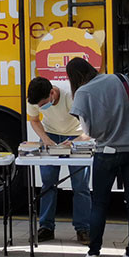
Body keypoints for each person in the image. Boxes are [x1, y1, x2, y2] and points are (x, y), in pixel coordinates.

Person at [66, 57, 129, 257]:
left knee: (100, 204)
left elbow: (88, 131)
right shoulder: (121, 79)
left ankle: (93, 253)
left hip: (107, 153)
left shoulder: (83, 93)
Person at [26, 75, 91, 243]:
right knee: (48, 183)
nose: (41, 107)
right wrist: (46, 139)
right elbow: (34, 121)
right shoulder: (34, 99)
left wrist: (74, 142)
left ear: (52, 92)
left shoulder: (71, 96)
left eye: (43, 104)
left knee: (81, 185)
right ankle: (46, 227)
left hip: (75, 135)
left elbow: (90, 127)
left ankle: (83, 228)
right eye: (38, 105)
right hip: (51, 134)